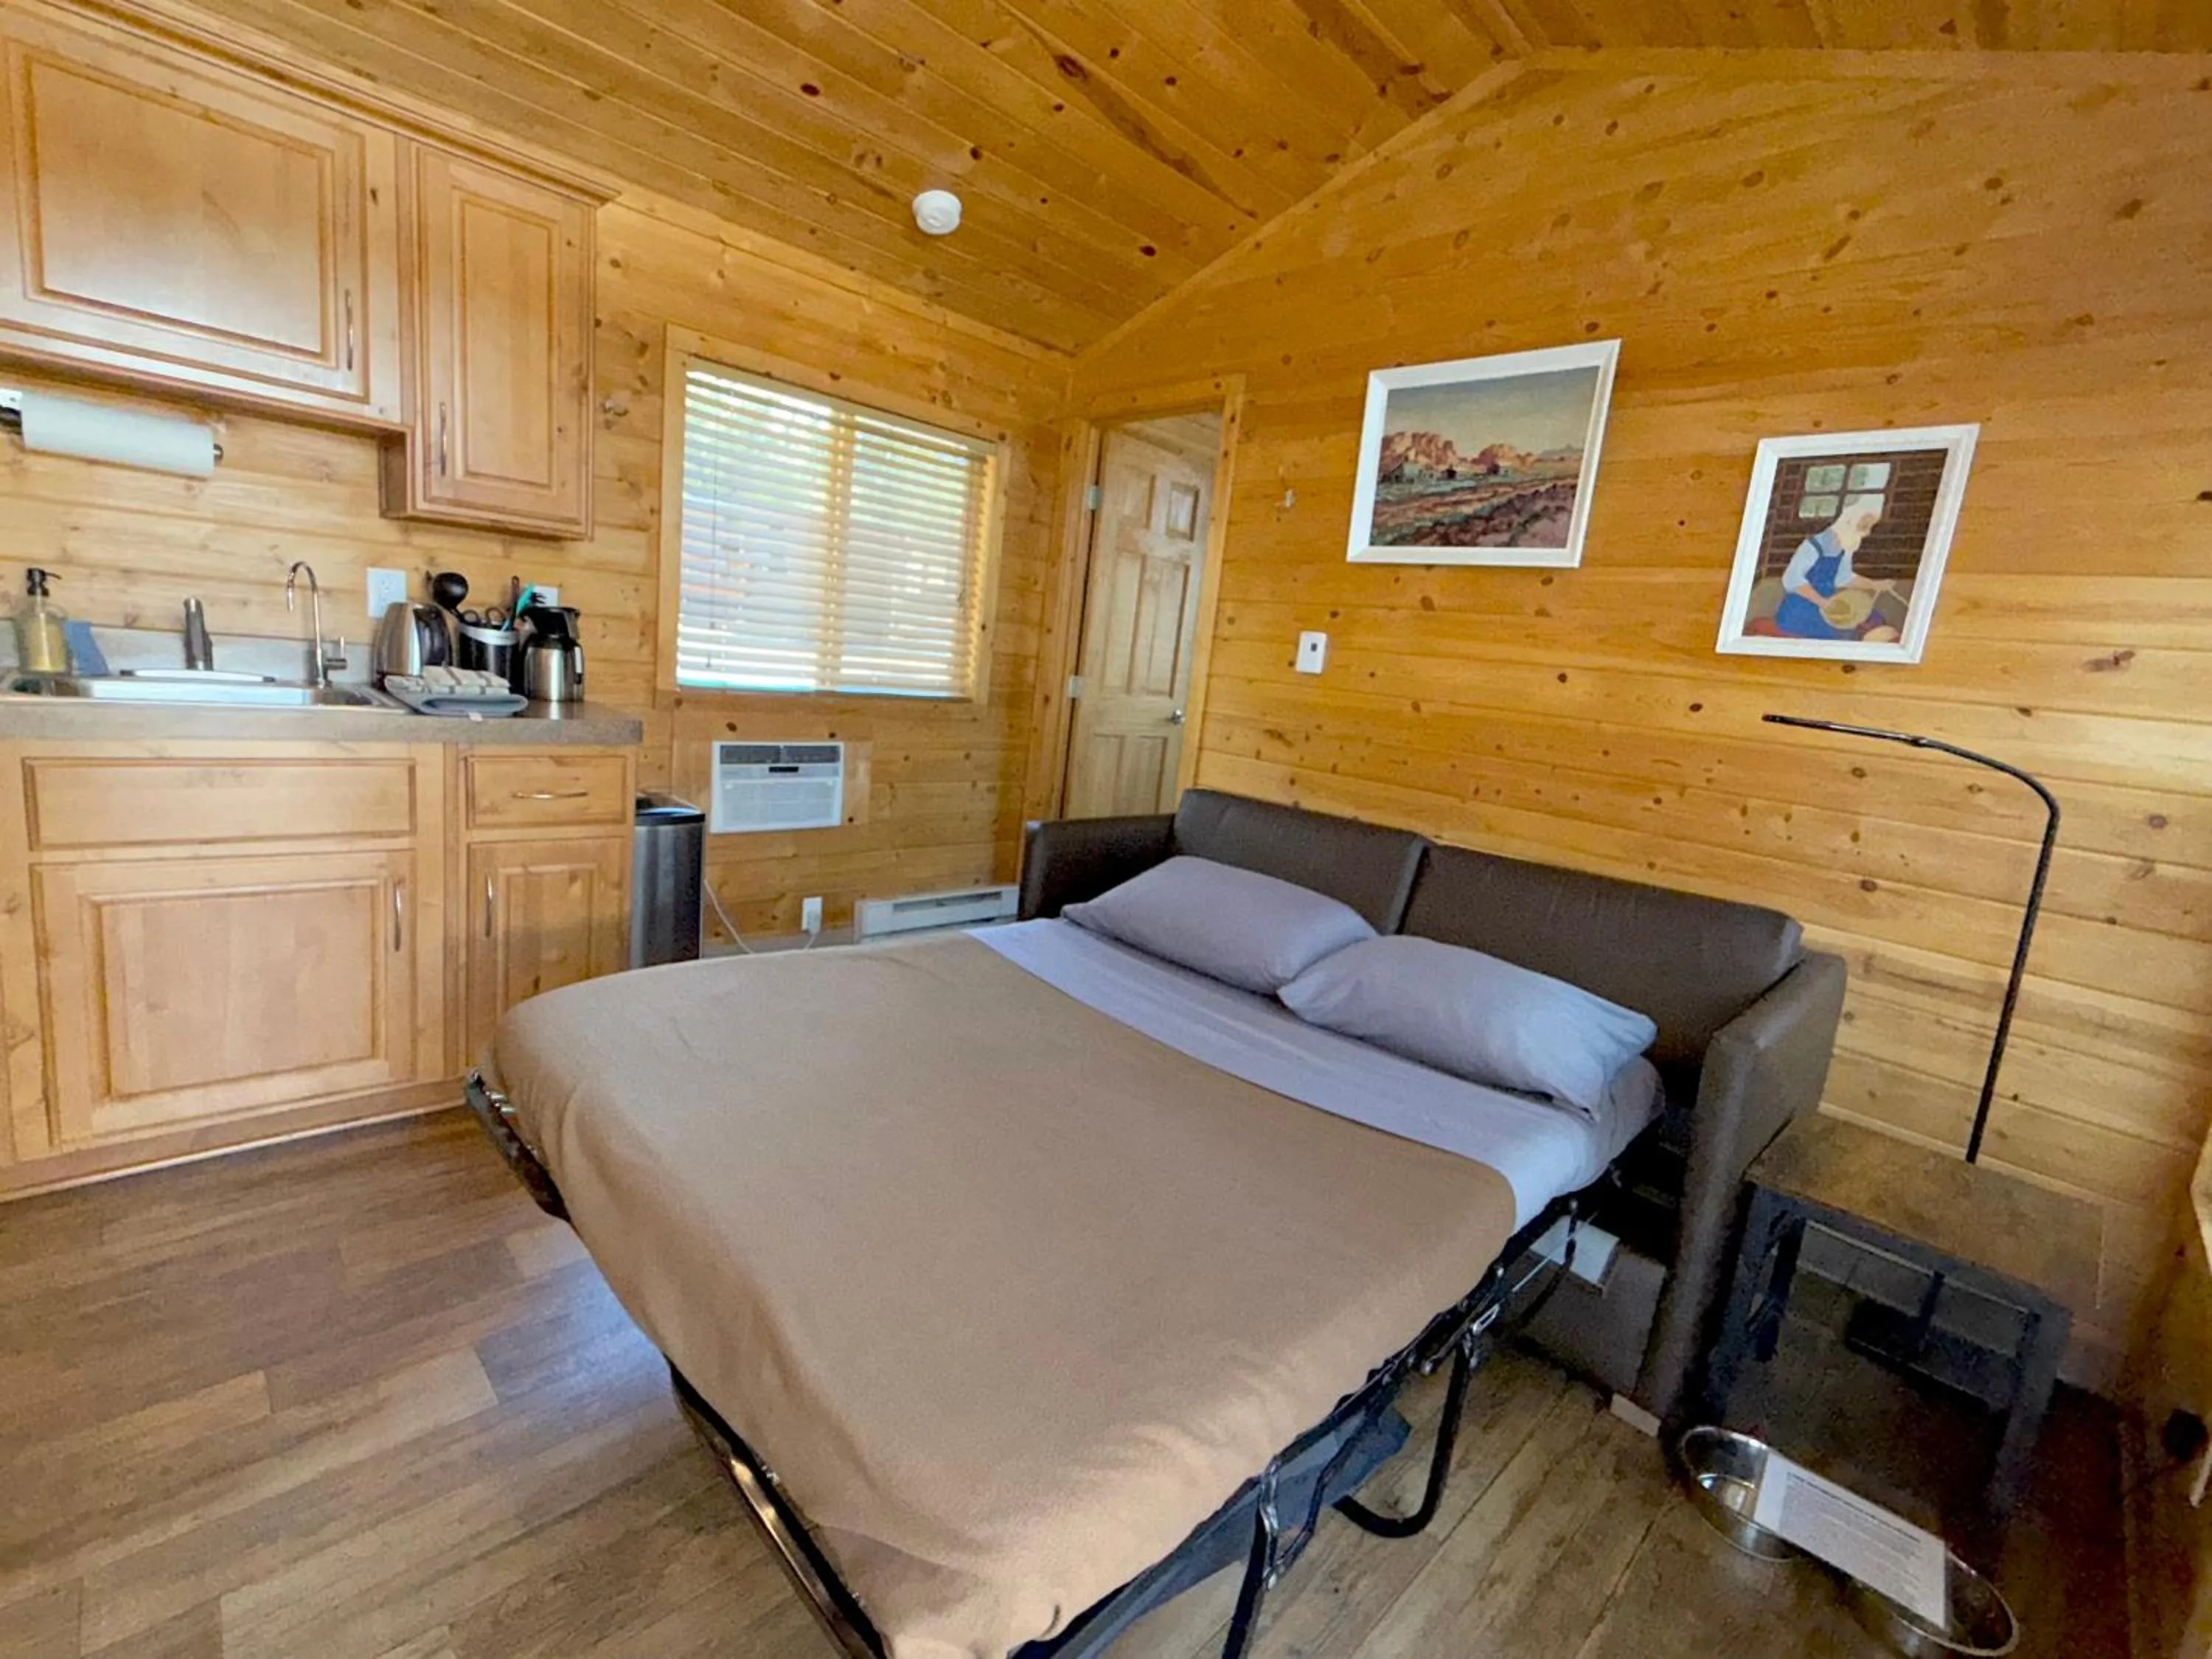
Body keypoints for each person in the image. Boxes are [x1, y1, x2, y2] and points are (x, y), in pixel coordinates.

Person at [1772, 493, 1902, 641]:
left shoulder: (1844, 547)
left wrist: (1874, 585)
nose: (1867, 533)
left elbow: (1843, 578)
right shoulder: (1814, 545)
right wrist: (1822, 602)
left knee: (1874, 618)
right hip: (1801, 610)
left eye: (1870, 528)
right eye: (1864, 527)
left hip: (1829, 606)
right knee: (1843, 635)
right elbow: (1791, 579)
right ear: (1850, 521)